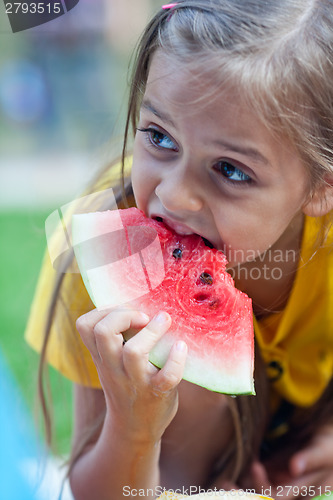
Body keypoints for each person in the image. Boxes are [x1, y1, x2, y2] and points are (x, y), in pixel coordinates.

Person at [25, 1, 333, 499]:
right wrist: (133, 426)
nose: (172, 196)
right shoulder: (101, 247)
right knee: (168, 360)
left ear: (322, 187)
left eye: (231, 170)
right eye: (159, 137)